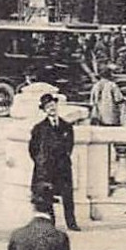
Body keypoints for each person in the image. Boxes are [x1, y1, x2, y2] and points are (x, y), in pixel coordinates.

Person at [29, 93, 81, 231]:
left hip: (63, 167)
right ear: (44, 110)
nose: (51, 108)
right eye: (48, 106)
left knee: (67, 196)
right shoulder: (39, 128)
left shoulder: (66, 126)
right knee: (47, 196)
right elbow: (33, 149)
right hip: (47, 168)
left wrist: (63, 159)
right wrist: (42, 162)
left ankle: (72, 223)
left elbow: (70, 145)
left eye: (53, 105)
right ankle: (51, 224)